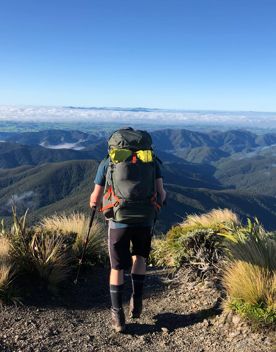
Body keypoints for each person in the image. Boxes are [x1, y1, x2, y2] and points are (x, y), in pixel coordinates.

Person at [89, 128, 166, 333]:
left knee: (117, 267)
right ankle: (137, 299)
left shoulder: (108, 161)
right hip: (145, 218)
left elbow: (95, 197)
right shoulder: (151, 161)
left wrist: (95, 206)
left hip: (119, 219)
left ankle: (118, 315)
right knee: (139, 257)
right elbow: (161, 193)